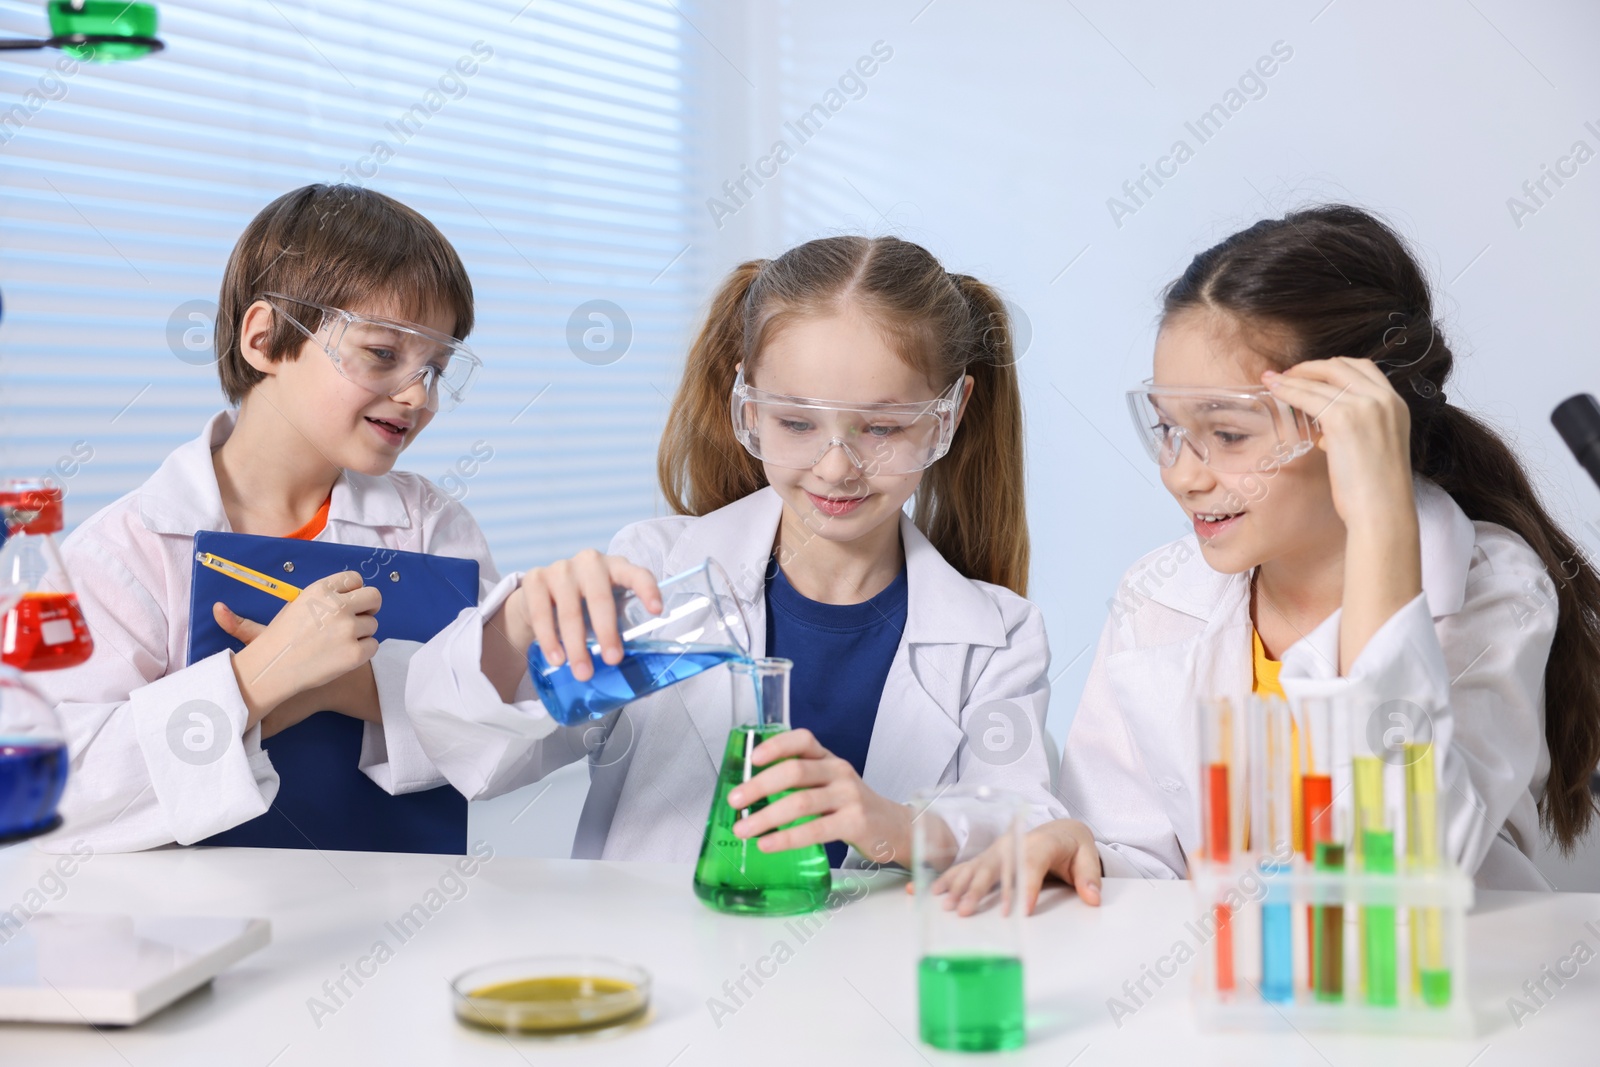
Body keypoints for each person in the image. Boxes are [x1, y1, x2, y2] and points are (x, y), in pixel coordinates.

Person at [935, 205, 1600, 913]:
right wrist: (1083, 852)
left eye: (1227, 433)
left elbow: (1404, 863)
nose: (1185, 474)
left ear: (1355, 422)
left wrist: (1381, 518)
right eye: (1168, 428)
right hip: (1242, 993)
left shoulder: (1494, 590)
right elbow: (1142, 855)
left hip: (1429, 996)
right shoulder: (1160, 596)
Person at [408, 235, 1060, 867]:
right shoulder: (656, 574)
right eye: (797, 423)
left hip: (875, 977)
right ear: (746, 400)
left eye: (882, 427)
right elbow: (466, 747)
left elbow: (1030, 827)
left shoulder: (999, 637)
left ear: (950, 412)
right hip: (670, 964)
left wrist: (901, 827)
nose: (836, 468)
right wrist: (519, 622)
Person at [35, 184, 497, 853]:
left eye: (437, 369)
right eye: (382, 353)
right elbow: (56, 791)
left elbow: (517, 727)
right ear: (263, 338)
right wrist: (258, 681)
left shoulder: (433, 526)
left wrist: (361, 687)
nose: (416, 396)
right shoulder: (123, 549)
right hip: (189, 934)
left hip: (401, 916)